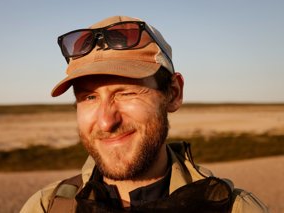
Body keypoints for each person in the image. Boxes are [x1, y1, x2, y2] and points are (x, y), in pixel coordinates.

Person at [21, 16, 268, 213]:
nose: (106, 121)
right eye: (89, 97)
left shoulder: (232, 208)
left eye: (127, 93)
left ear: (173, 93)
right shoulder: (47, 206)